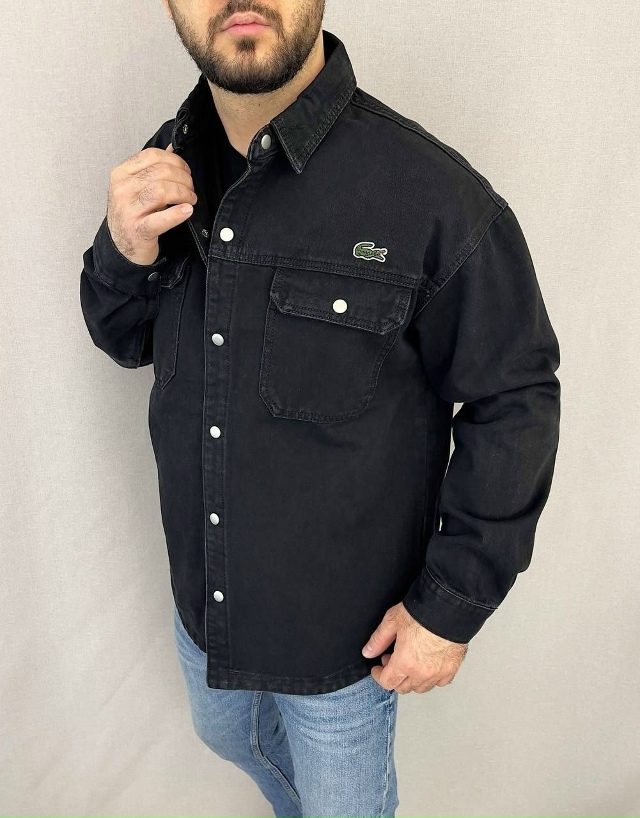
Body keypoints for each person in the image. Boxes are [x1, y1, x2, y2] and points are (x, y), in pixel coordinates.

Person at [79, 1, 561, 816]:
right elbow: (125, 339)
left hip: (341, 642)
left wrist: (451, 607)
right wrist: (123, 252)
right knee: (227, 737)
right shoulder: (165, 164)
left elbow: (515, 398)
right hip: (205, 606)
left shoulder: (434, 197)